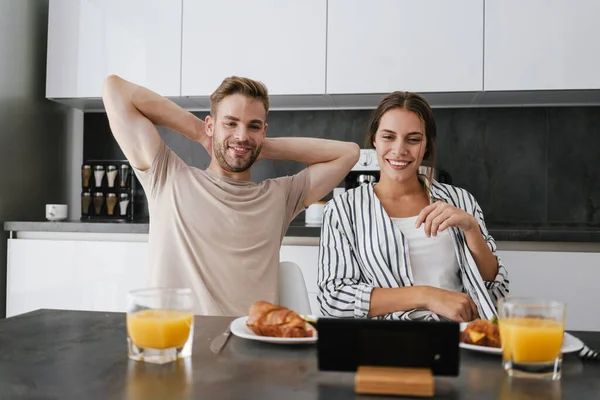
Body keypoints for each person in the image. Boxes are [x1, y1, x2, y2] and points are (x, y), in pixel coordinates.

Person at [102, 75, 359, 316]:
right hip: (177, 346)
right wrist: (200, 133)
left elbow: (349, 153)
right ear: (211, 124)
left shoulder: (279, 196)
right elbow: (115, 89)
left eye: (253, 126)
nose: (241, 134)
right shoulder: (167, 177)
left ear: (264, 131)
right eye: (231, 122)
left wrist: (258, 146)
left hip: (247, 351)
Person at [318, 91, 508, 322]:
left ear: (426, 145)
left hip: (458, 338)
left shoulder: (461, 201)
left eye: (413, 139)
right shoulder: (343, 210)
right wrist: (426, 295)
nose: (399, 150)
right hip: (383, 343)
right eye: (389, 137)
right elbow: (333, 299)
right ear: (375, 140)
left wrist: (471, 228)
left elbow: (495, 288)